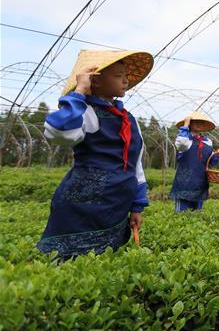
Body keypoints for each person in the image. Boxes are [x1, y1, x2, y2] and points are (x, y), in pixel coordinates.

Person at [38, 50, 154, 259]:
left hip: (116, 203)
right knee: (72, 263)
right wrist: (79, 93)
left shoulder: (129, 119)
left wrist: (137, 206)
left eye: (125, 75)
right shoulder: (87, 112)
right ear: (96, 81)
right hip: (83, 204)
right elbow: (59, 132)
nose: (126, 80)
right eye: (118, 75)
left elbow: (135, 166)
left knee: (105, 261)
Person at [170, 111, 219, 212]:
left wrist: (218, 154)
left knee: (197, 215)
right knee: (181, 216)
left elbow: (211, 162)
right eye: (196, 121)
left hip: (200, 184)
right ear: (190, 123)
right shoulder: (184, 138)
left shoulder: (207, 141)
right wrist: (185, 126)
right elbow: (182, 144)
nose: (200, 124)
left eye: (202, 122)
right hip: (184, 184)